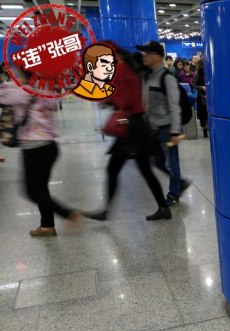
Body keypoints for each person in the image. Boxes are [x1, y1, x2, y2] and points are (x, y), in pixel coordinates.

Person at [86, 46, 171, 222]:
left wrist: (110, 101)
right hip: (137, 125)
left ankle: (106, 211)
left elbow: (127, 100)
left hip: (129, 128)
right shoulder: (132, 69)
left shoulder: (121, 70)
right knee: (145, 170)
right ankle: (163, 207)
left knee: (114, 169)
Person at [0, 68, 81, 236]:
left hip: (34, 148)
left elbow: (3, 95)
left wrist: (10, 84)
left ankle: (68, 214)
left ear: (24, 73)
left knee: (32, 192)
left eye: (17, 72)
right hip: (50, 146)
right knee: (41, 189)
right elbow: (53, 106)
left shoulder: (21, 92)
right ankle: (47, 226)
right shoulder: (46, 90)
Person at [138, 41, 188, 207]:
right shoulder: (148, 76)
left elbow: (174, 107)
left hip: (167, 129)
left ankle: (174, 194)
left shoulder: (167, 78)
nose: (144, 56)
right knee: (158, 162)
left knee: (172, 164)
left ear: (157, 57)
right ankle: (180, 182)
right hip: (154, 129)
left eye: (147, 54)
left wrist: (175, 132)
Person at [194, 59, 208, 138]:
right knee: (203, 113)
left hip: (207, 95)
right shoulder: (197, 74)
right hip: (201, 95)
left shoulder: (208, 73)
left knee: (205, 113)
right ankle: (205, 130)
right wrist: (202, 87)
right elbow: (194, 85)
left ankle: (206, 128)